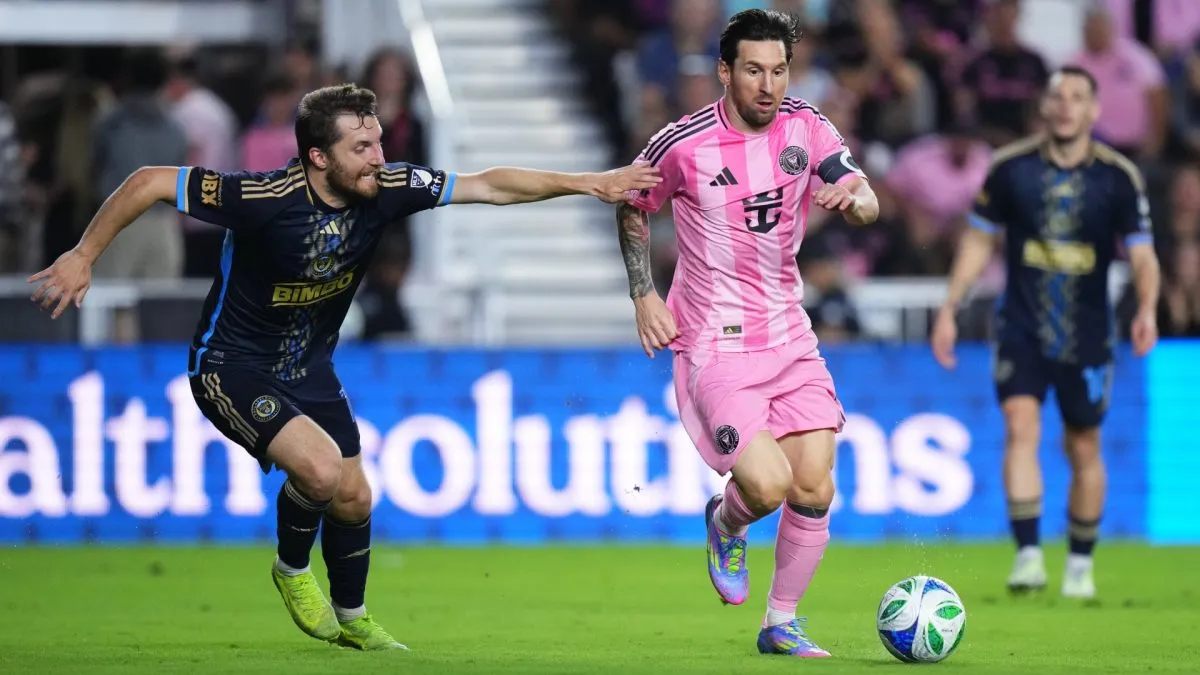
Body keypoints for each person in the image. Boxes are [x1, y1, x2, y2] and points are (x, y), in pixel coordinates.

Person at [28, 83, 660, 650]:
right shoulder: (262, 198)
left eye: (379, 141)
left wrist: (591, 182)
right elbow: (147, 181)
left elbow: (489, 185)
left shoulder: (387, 189)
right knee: (322, 470)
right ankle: (291, 569)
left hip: (309, 367)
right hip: (230, 366)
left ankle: (353, 617)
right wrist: (83, 255)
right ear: (318, 157)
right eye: (361, 147)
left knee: (355, 497)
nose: (378, 158)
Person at [615, 10, 879, 658]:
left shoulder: (807, 126)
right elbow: (631, 203)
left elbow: (862, 190)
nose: (769, 85)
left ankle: (781, 622)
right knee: (766, 485)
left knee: (815, 483)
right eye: (754, 71)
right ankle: (727, 519)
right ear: (725, 71)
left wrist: (856, 202)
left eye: (779, 71)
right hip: (716, 344)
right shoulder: (683, 144)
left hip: (790, 337)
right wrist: (644, 293)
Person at [931, 66, 1161, 600]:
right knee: (1020, 426)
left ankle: (1079, 562)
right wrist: (950, 304)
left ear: (1094, 110)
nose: (1065, 106)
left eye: (1077, 97)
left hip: (1088, 333)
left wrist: (1148, 307)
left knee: (1083, 443)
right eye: (1057, 96)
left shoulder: (1118, 177)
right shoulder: (1010, 168)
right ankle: (1029, 556)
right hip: (1021, 325)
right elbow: (979, 240)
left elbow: (1143, 254)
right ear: (1044, 107)